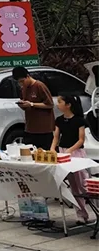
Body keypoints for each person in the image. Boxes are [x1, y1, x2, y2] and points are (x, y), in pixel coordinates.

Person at [50, 93, 93, 225]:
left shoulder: (79, 120)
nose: (58, 104)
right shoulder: (59, 120)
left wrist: (70, 150)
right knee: (73, 185)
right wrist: (53, 149)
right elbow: (56, 137)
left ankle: (93, 206)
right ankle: (81, 214)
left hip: (76, 153)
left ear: (68, 105)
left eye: (60, 102)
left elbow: (81, 139)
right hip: (63, 152)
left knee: (83, 184)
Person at [12, 67, 54, 149]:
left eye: (22, 81)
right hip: (30, 128)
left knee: (45, 154)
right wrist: (23, 105)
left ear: (28, 76)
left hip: (44, 129)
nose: (21, 84)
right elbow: (27, 106)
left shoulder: (39, 85)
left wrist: (32, 104)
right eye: (19, 82)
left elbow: (50, 105)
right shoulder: (24, 89)